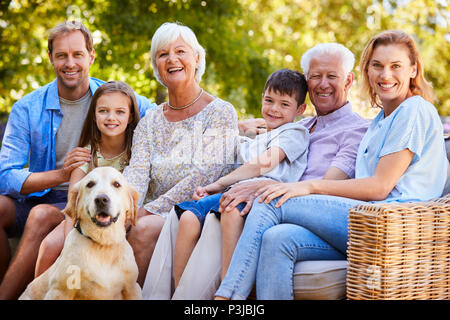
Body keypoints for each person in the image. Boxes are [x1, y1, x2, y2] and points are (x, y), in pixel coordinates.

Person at [215, 30, 448, 300]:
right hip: (363, 223)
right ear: (367, 71)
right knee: (276, 239)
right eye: (377, 66)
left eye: (396, 66)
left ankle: (226, 299)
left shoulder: (414, 109)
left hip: (392, 225)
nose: (385, 75)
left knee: (271, 200)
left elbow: (380, 186)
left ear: (413, 70)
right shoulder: (381, 121)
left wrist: (307, 188)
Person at [142, 43, 370, 300]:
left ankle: (218, 297)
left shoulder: (356, 130)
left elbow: (323, 193)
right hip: (261, 200)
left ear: (349, 80)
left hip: (290, 211)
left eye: (332, 76)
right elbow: (254, 143)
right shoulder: (300, 123)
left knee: (230, 213)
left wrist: (259, 187)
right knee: (182, 215)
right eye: (316, 76)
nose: (323, 84)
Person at [0, 21, 153, 300]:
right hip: (43, 192)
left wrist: (238, 126)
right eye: (61, 55)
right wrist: (60, 174)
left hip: (83, 199)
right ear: (51, 58)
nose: (70, 63)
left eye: (77, 54)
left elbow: (165, 114)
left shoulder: (109, 98)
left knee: (41, 216)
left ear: (91, 56)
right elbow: (5, 176)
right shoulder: (27, 107)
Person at [122, 22, 238, 286]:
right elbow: (136, 173)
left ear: (197, 58)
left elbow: (204, 174)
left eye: (180, 51)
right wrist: (126, 211)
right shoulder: (150, 120)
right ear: (156, 66)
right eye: (163, 54)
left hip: (192, 213)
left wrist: (147, 213)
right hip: (147, 212)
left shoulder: (221, 112)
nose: (172, 59)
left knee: (141, 230)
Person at [171, 69, 309, 290]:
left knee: (231, 210)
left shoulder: (295, 133)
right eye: (269, 100)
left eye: (284, 104)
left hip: (263, 198)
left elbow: (263, 163)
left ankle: (229, 284)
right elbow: (216, 140)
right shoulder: (256, 137)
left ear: (300, 109)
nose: (274, 109)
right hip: (235, 191)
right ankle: (179, 291)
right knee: (188, 217)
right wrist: (242, 127)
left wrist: (218, 184)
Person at [33, 80, 141, 276]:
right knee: (49, 246)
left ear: (130, 115)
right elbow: (71, 208)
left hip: (125, 221)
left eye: (120, 111)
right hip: (88, 221)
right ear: (94, 114)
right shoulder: (86, 155)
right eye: (103, 111)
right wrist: (70, 248)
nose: (111, 117)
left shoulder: (139, 152)